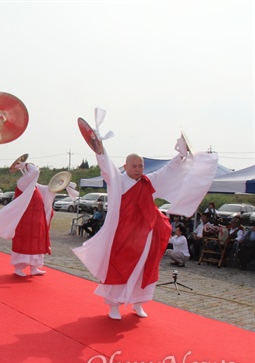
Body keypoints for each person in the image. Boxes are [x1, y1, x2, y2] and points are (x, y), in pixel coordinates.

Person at [73, 112, 218, 320]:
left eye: (141, 166)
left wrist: (181, 157)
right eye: (135, 166)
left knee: (144, 268)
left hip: (147, 234)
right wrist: (99, 149)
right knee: (120, 267)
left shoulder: (148, 181)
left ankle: (139, 302)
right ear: (125, 166)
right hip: (125, 235)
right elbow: (106, 167)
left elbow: (168, 172)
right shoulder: (118, 181)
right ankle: (114, 306)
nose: (139, 169)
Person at [0, 162, 56, 276]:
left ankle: (34, 268)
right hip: (25, 221)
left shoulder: (35, 186)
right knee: (23, 243)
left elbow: (49, 189)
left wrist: (61, 184)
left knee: (36, 243)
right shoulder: (22, 183)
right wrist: (26, 164)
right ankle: (18, 268)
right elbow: (35, 171)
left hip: (36, 221)